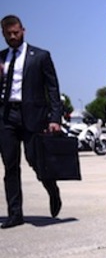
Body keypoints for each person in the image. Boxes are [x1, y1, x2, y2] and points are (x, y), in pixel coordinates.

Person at [0, 15, 63, 229]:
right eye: (8, 34)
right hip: (6, 116)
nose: (12, 37)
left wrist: (55, 118)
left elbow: (52, 88)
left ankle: (52, 189)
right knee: (10, 165)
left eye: (15, 32)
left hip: (33, 116)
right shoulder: (0, 58)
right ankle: (15, 213)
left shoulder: (40, 56)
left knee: (35, 160)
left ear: (23, 30)